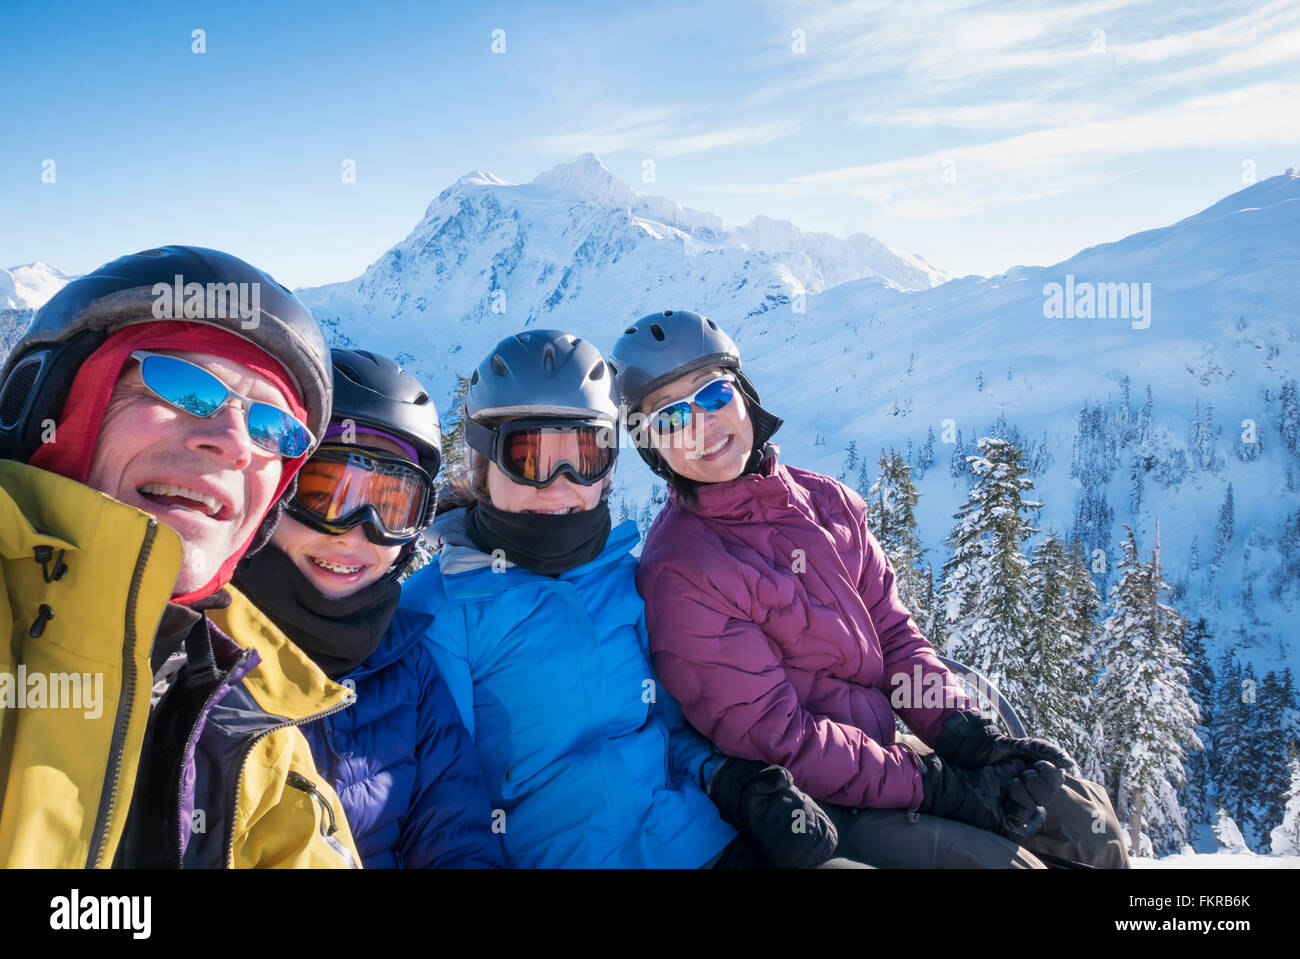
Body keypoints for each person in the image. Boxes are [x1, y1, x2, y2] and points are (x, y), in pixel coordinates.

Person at [610, 309, 1130, 869]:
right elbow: (785, 743)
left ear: (743, 395)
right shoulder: (682, 571)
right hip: (818, 805)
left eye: (712, 396)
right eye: (669, 419)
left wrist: (968, 738)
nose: (701, 426)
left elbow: (896, 640)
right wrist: (944, 788)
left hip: (886, 761)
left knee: (1087, 825)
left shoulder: (825, 502)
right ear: (651, 448)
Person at [391, 330, 854, 868]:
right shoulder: (440, 612)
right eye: (531, 456)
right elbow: (442, 807)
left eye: (584, 455)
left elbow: (670, 728)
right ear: (484, 464)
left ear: (608, 469)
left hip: (700, 841)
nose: (560, 484)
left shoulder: (621, 577)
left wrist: (729, 779)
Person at [0, 245, 361, 868]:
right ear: (52, 407)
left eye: (274, 429)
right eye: (183, 385)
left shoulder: (263, 741)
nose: (233, 445)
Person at [220, 349, 503, 868]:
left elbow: (454, 833)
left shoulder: (405, 663)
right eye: (325, 493)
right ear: (274, 493)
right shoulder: (202, 653)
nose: (355, 532)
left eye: (392, 506)